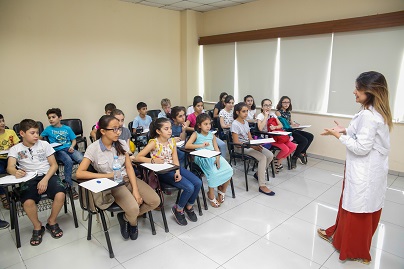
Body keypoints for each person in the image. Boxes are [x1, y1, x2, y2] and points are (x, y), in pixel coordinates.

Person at [318, 71, 393, 265]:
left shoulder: (369, 115)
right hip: (369, 170)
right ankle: (341, 237)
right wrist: (345, 129)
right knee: (357, 206)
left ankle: (354, 250)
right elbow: (360, 132)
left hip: (365, 171)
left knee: (357, 209)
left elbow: (361, 148)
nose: (354, 92)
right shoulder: (374, 112)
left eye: (358, 88)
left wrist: (339, 137)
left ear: (371, 91)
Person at [76, 115, 160, 240]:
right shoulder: (93, 148)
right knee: (133, 208)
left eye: (119, 128)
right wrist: (106, 175)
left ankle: (125, 217)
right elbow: (79, 173)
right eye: (114, 129)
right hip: (112, 184)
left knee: (155, 201)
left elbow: (129, 168)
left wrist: (136, 191)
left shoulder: (120, 144)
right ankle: (132, 222)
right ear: (103, 131)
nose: (119, 132)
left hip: (126, 178)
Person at [7, 119, 66, 246]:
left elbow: (54, 165)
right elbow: (10, 167)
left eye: (37, 132)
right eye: (32, 133)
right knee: (27, 202)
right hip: (29, 178)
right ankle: (38, 226)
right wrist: (15, 172)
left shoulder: (44, 145)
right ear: (22, 133)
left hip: (48, 175)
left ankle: (51, 221)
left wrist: (45, 180)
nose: (36, 136)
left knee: (60, 194)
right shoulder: (15, 149)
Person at [135, 118, 202, 226]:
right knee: (189, 187)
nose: (170, 131)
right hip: (162, 172)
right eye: (166, 129)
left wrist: (177, 171)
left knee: (198, 182)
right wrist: (152, 160)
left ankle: (188, 206)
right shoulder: (154, 143)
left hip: (173, 168)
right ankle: (178, 209)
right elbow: (138, 157)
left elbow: (175, 158)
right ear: (158, 131)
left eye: (170, 128)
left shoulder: (172, 141)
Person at [185, 114, 233, 208]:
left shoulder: (212, 135)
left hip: (214, 156)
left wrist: (218, 158)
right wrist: (201, 145)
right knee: (213, 173)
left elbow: (216, 148)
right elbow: (187, 146)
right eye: (205, 124)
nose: (208, 126)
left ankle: (222, 190)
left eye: (209, 124)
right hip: (201, 157)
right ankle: (210, 194)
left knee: (229, 170)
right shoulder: (196, 134)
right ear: (199, 125)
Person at [231, 102, 275, 195]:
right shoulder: (235, 124)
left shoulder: (246, 122)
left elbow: (250, 138)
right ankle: (262, 185)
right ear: (237, 112)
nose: (246, 113)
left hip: (249, 145)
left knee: (270, 155)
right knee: (262, 158)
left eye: (247, 111)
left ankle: (258, 174)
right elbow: (236, 143)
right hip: (241, 148)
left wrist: (256, 144)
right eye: (243, 111)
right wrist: (251, 146)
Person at [40, 108, 83, 199]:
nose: (51, 119)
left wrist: (72, 146)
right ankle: (69, 185)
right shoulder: (48, 129)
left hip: (69, 148)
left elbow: (74, 140)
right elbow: (40, 138)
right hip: (58, 150)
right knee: (68, 161)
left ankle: (85, 179)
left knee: (82, 159)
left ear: (60, 118)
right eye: (49, 118)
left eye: (53, 117)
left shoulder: (67, 128)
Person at [256, 99, 296, 172]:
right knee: (286, 149)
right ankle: (276, 161)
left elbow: (280, 125)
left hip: (277, 136)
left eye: (269, 105)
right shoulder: (260, 116)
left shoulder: (273, 114)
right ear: (262, 107)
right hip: (268, 138)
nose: (268, 107)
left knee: (293, 146)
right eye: (265, 105)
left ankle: (277, 161)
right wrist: (265, 116)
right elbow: (260, 128)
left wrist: (275, 127)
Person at [275, 96, 314, 168]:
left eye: (288, 102)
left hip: (292, 129)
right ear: (281, 103)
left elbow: (291, 122)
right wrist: (291, 125)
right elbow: (282, 123)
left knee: (310, 136)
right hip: (286, 131)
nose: (286, 104)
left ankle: (301, 153)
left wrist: (296, 125)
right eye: (284, 102)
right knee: (304, 140)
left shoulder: (288, 112)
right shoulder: (278, 112)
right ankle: (295, 157)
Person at [0, 114, 20, 209]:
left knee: (21, 169)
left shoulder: (10, 132)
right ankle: (3, 196)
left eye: (3, 121)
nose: (2, 123)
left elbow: (17, 146)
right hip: (0, 159)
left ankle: (21, 191)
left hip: (11, 157)